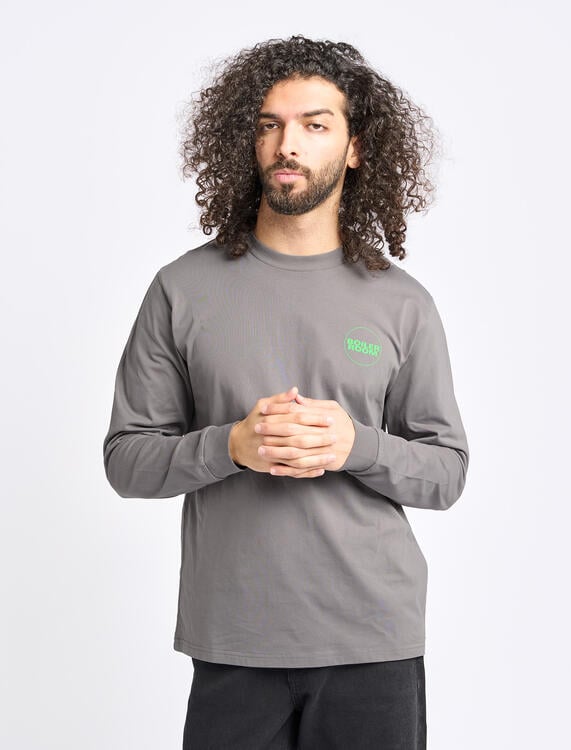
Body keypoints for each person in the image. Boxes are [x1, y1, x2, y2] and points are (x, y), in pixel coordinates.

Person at [103, 34, 469, 750]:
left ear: (356, 148)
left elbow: (447, 472)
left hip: (372, 640)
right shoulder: (182, 289)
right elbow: (126, 460)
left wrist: (356, 445)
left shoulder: (403, 304)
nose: (287, 144)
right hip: (234, 640)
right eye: (268, 125)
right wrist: (230, 446)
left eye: (314, 124)